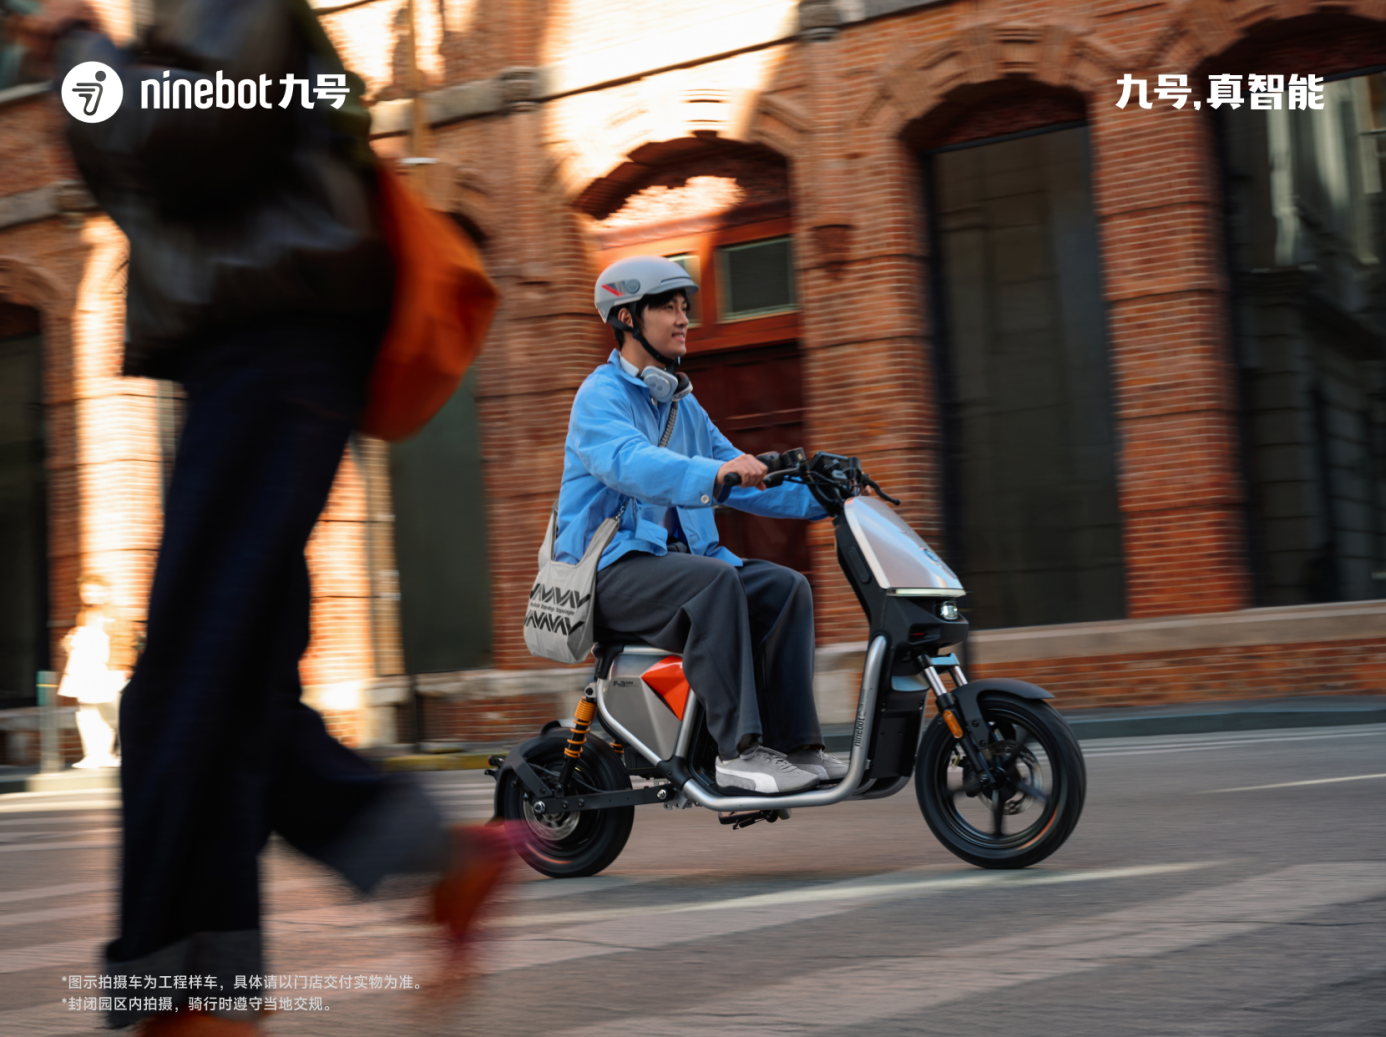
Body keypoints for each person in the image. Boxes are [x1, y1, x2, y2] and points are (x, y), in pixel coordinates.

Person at [18, 1, 509, 1033]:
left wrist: (77, 52)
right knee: (234, 691)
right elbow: (146, 172)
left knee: (184, 686)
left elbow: (175, 138)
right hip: (255, 347)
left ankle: (186, 993)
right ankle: (430, 861)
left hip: (272, 338)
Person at [557, 255, 848, 795]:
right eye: (668, 307)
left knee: (784, 588)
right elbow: (629, 462)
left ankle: (796, 747)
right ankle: (739, 753)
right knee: (712, 583)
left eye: (683, 307)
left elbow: (745, 478)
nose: (683, 318)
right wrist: (712, 474)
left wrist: (828, 500)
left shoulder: (683, 408)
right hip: (605, 571)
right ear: (627, 318)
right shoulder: (600, 397)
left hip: (668, 568)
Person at [57, 573, 130, 769]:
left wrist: (122, 667)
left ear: (105, 592)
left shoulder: (116, 615)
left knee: (110, 713)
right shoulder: (83, 615)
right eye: (86, 591)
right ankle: (94, 755)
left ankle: (115, 754)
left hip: (108, 670)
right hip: (85, 671)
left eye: (95, 591)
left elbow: (125, 642)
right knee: (88, 713)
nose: (90, 595)